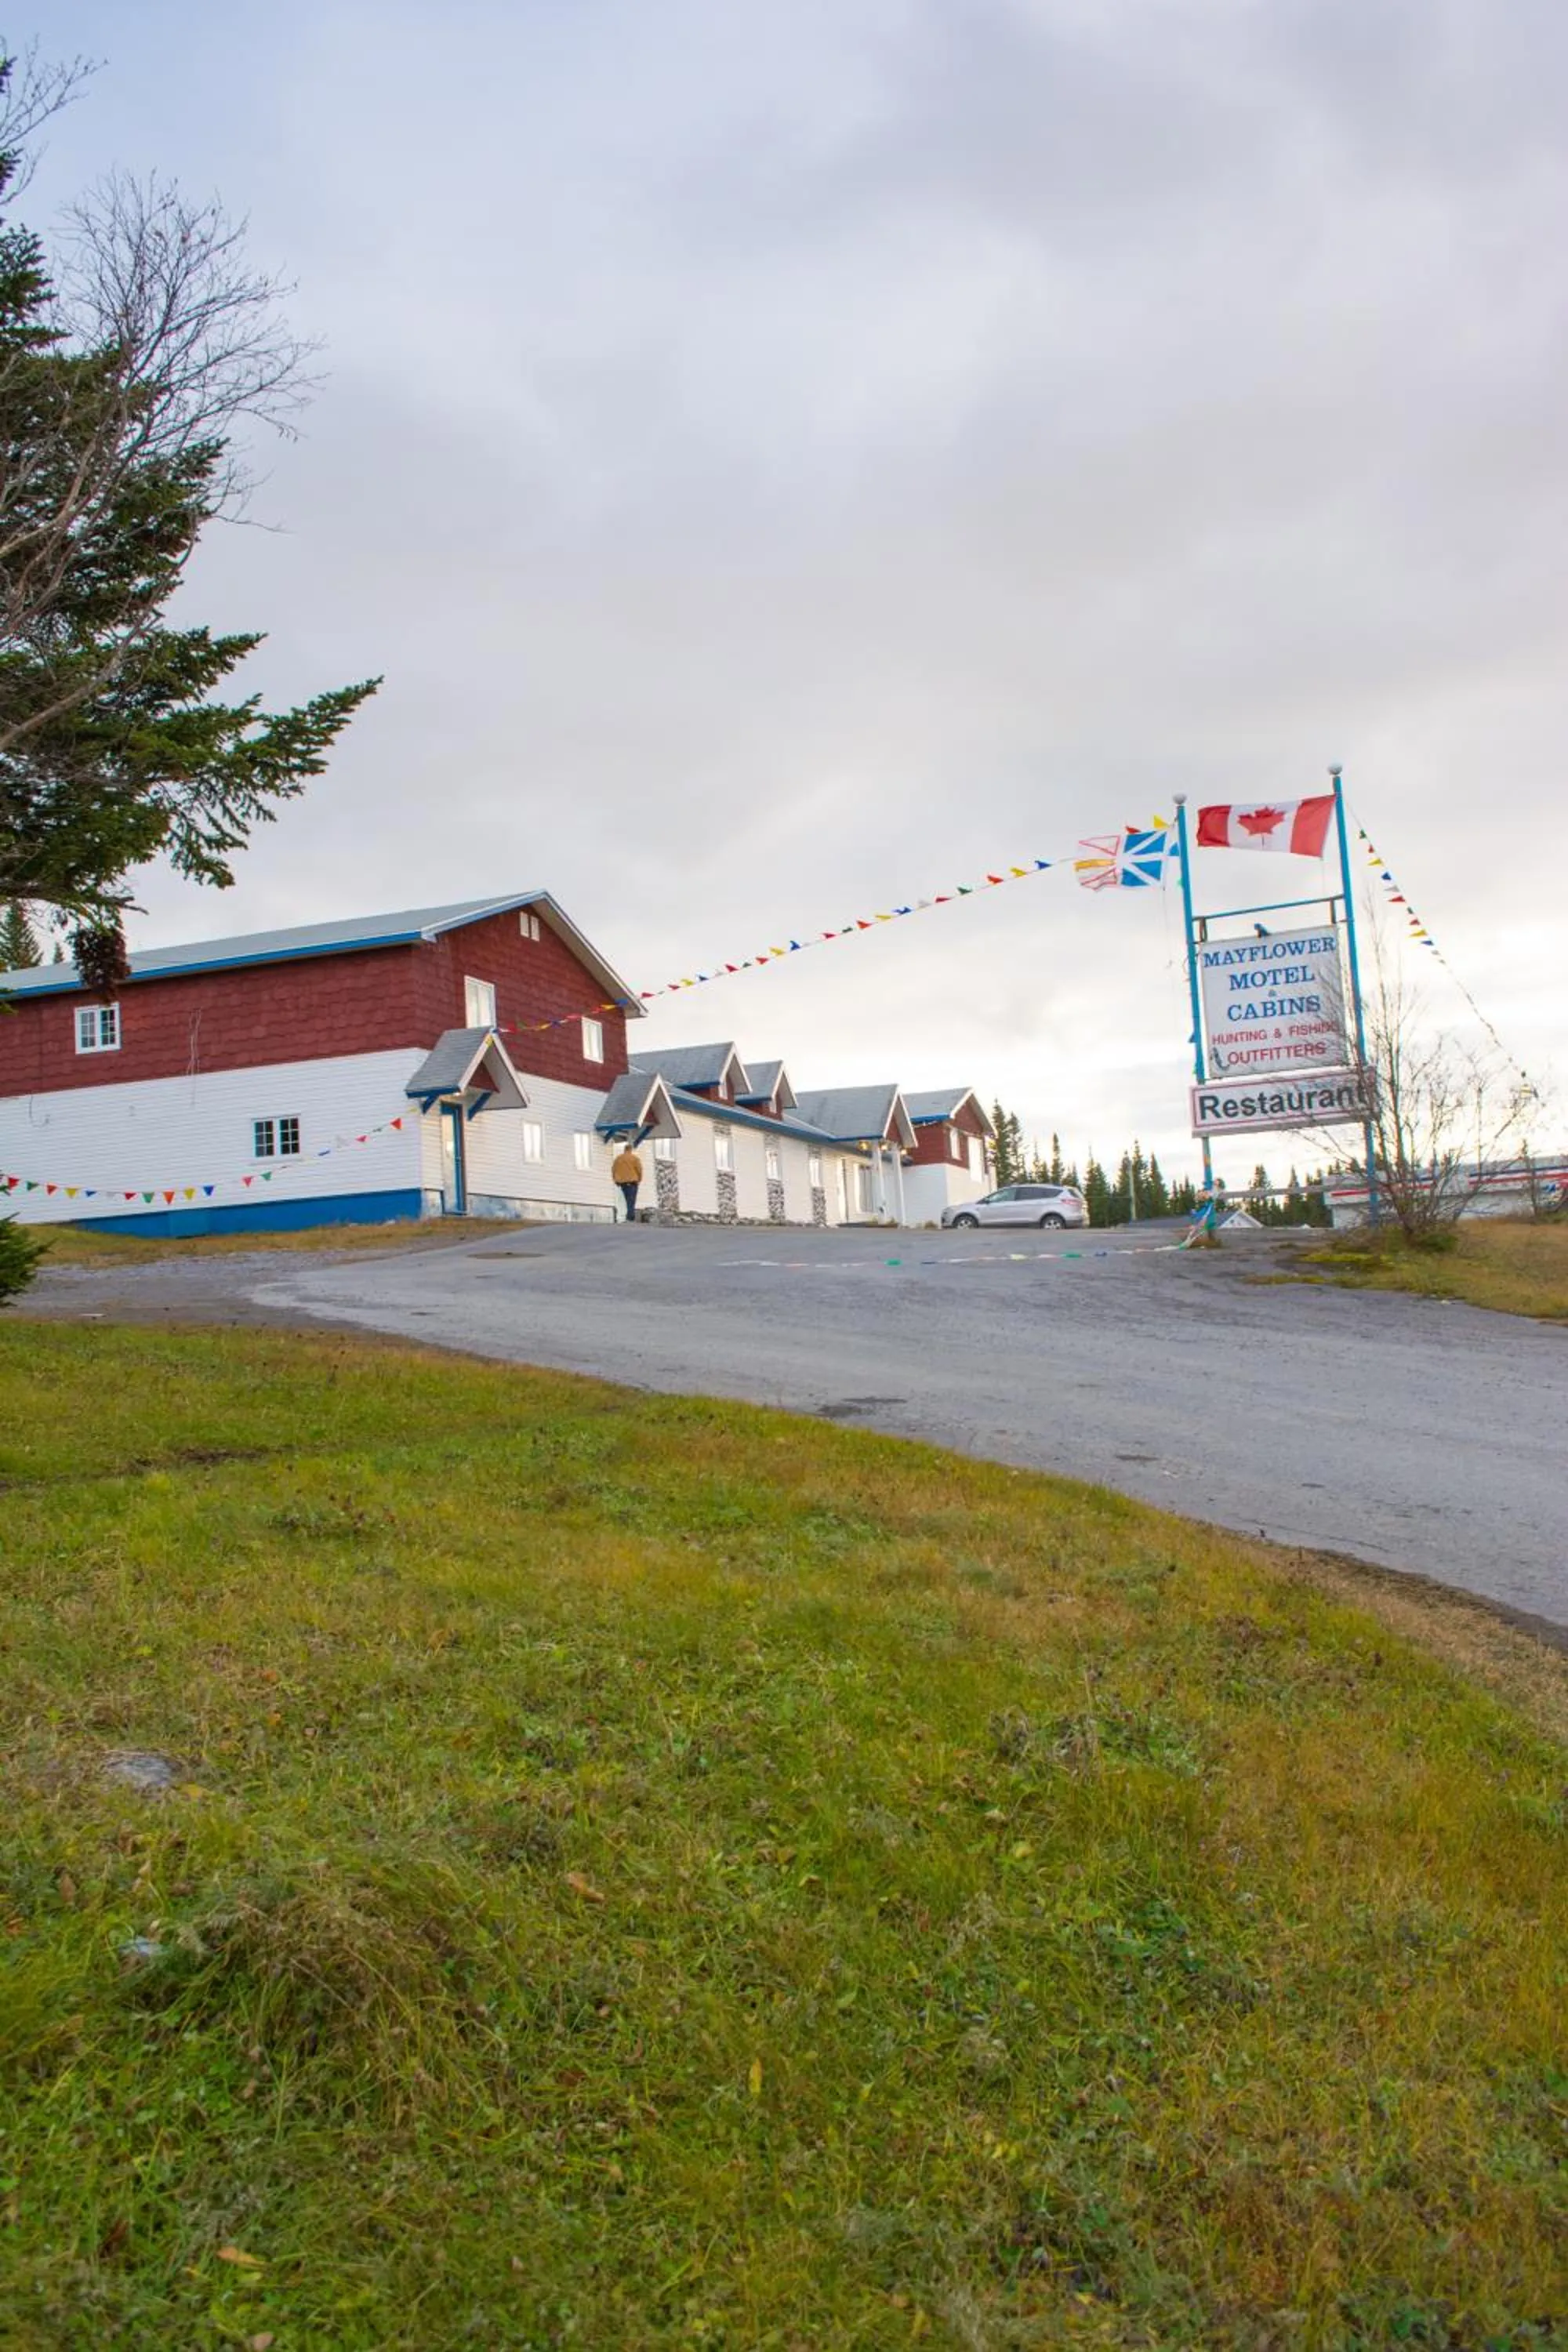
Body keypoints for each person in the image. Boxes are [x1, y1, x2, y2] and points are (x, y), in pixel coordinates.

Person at [611, 1140, 644, 1224]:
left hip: (622, 1183)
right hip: (632, 1182)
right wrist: (639, 1179)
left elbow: (614, 1170)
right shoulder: (634, 1158)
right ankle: (630, 1217)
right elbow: (639, 1169)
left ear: (624, 1149)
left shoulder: (618, 1159)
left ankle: (626, 1216)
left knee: (625, 1200)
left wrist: (615, 1180)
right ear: (631, 1149)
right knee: (631, 1200)